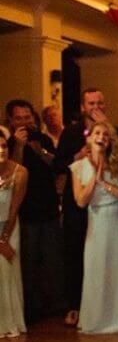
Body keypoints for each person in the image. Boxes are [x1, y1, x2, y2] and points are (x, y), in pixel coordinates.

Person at [54, 88, 118, 328]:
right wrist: (77, 155)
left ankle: (109, 306)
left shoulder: (115, 132)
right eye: (91, 103)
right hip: (80, 203)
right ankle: (75, 305)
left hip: (109, 202)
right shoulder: (71, 133)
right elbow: (58, 164)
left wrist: (110, 131)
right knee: (76, 253)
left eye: (100, 103)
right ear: (83, 107)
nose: (96, 107)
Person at [70, 121, 118, 334]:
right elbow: (80, 201)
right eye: (98, 133)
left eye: (106, 135)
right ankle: (96, 320)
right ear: (90, 138)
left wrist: (104, 181)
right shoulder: (78, 167)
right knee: (97, 270)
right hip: (97, 223)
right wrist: (95, 177)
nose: (102, 138)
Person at [6, 99, 63, 324]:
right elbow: (11, 173)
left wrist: (41, 153)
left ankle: (54, 302)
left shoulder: (44, 138)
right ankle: (31, 306)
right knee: (27, 261)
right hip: (25, 211)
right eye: (19, 118)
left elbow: (57, 167)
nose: (24, 122)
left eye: (27, 117)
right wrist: (19, 147)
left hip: (47, 207)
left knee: (51, 258)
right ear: (10, 121)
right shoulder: (8, 144)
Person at [0, 132, 29, 337]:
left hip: (9, 228)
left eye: (4, 146)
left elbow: (14, 208)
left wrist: (3, 239)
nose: (2, 150)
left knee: (7, 272)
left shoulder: (20, 172)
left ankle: (10, 322)